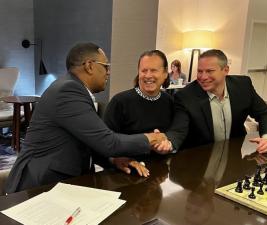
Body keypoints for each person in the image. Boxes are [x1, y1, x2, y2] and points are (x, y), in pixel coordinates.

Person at [5, 43, 168, 193]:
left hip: (65, 181)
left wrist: (114, 160)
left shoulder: (74, 89)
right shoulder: (67, 91)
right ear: (90, 66)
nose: (108, 72)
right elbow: (108, 142)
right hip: (39, 186)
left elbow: (89, 140)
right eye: (106, 66)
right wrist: (152, 138)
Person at [163, 49, 267, 153]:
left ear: (226, 70)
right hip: (197, 162)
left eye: (209, 71)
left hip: (233, 161)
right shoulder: (185, 96)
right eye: (200, 71)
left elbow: (265, 114)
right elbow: (178, 130)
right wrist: (168, 144)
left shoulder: (243, 86)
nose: (203, 77)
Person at [103, 50, 174, 176]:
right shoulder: (120, 101)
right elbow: (103, 142)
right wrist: (116, 159)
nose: (148, 75)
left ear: (165, 73)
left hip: (160, 172)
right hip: (126, 171)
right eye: (144, 70)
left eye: (153, 70)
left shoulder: (169, 101)